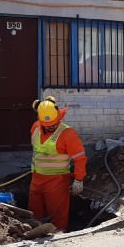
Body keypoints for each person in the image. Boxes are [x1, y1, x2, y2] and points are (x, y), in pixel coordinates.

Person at [29, 96, 87, 232]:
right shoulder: (36, 127)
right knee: (33, 212)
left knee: (57, 215)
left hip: (57, 180)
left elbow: (80, 158)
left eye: (54, 123)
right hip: (36, 178)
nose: (51, 127)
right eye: (47, 125)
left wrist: (79, 180)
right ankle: (36, 233)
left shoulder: (68, 134)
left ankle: (60, 236)